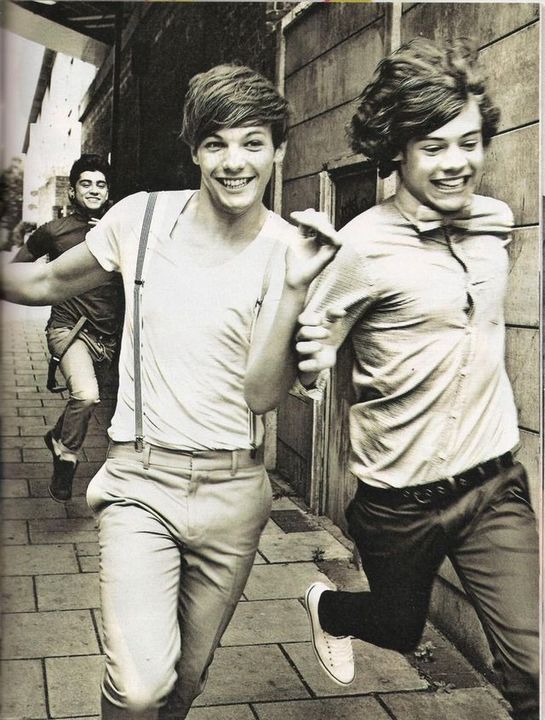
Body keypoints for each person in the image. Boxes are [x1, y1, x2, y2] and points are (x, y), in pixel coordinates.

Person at [1, 64, 339, 719]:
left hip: (233, 493)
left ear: (279, 149)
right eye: (215, 143)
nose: (233, 161)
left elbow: (263, 395)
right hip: (140, 481)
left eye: (251, 142)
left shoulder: (291, 253)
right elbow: (44, 284)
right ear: (193, 150)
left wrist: (296, 290)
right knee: (137, 685)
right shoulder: (142, 219)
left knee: (185, 681)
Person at [284, 38, 538, 720]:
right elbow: (302, 361)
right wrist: (304, 339)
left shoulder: (491, 224)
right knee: (398, 627)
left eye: (468, 141)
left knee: (533, 671)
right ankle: (329, 606)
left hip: (491, 485)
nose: (456, 162)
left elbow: (486, 214)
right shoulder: (359, 248)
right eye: (432, 146)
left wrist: (458, 217)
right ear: (397, 152)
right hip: (398, 501)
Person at [12, 154, 123, 502]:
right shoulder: (54, 232)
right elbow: (18, 269)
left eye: (100, 184)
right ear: (73, 190)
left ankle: (57, 434)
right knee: (87, 394)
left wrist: (107, 239)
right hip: (69, 329)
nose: (94, 190)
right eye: (86, 183)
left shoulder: (120, 228)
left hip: (108, 335)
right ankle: (67, 458)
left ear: (108, 191)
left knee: (88, 399)